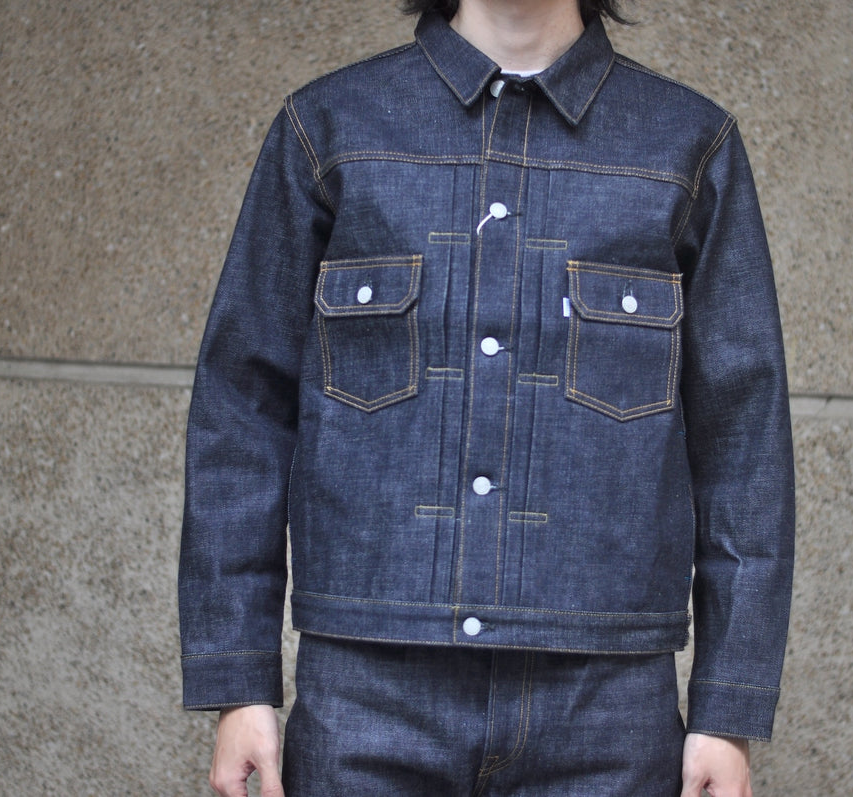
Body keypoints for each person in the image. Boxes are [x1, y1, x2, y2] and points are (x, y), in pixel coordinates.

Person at [179, 0, 794, 794]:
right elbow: (241, 411)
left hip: (606, 710)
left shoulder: (686, 145)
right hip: (366, 699)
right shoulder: (329, 130)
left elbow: (744, 442)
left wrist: (727, 706)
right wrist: (240, 681)